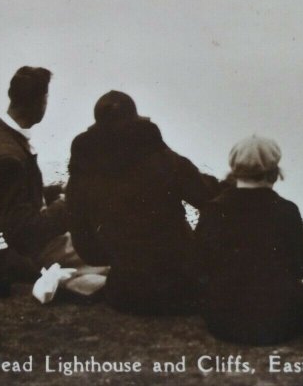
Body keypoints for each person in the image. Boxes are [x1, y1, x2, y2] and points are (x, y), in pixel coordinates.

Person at [66, 90, 227, 314]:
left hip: (124, 292)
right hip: (180, 290)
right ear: (134, 120)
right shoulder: (161, 157)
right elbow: (210, 199)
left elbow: (83, 240)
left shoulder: (84, 167)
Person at [0, 66, 106, 294]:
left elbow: (4, 200)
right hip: (12, 256)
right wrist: (68, 206)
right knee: (106, 257)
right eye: (46, 98)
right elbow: (23, 233)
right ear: (39, 102)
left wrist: (53, 191)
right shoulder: (9, 157)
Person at [192, 135, 303, 344]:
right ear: (274, 173)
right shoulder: (286, 210)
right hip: (278, 320)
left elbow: (199, 264)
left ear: (234, 171)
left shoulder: (214, 209)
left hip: (225, 320)